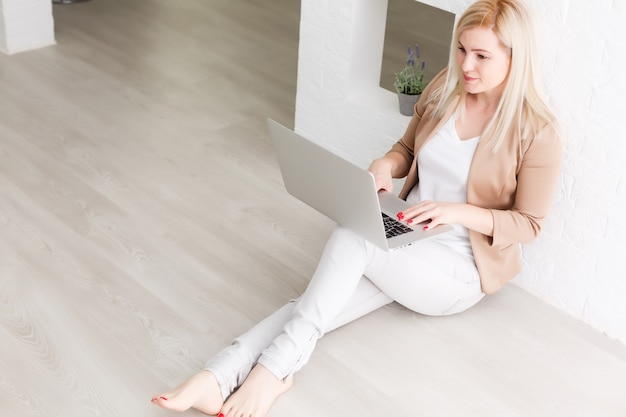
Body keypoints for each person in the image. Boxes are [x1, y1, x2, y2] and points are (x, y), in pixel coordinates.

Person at [151, 0, 562, 416]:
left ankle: (272, 374)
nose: (466, 65)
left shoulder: (536, 131)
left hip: (460, 266)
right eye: (461, 49)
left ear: (515, 57)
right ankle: (217, 375)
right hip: (406, 232)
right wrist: (385, 166)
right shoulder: (446, 88)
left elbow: (529, 224)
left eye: (481, 56)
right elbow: (405, 148)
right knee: (316, 302)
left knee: (353, 238)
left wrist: (456, 212)